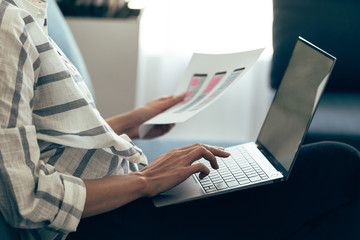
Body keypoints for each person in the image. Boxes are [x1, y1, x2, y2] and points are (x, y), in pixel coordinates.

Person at [0, 0, 359, 239]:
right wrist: (147, 179)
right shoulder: (8, 23)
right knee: (337, 165)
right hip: (100, 222)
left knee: (307, 176)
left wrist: (134, 121)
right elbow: (26, 199)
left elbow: (46, 141)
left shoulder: (31, 12)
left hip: (122, 197)